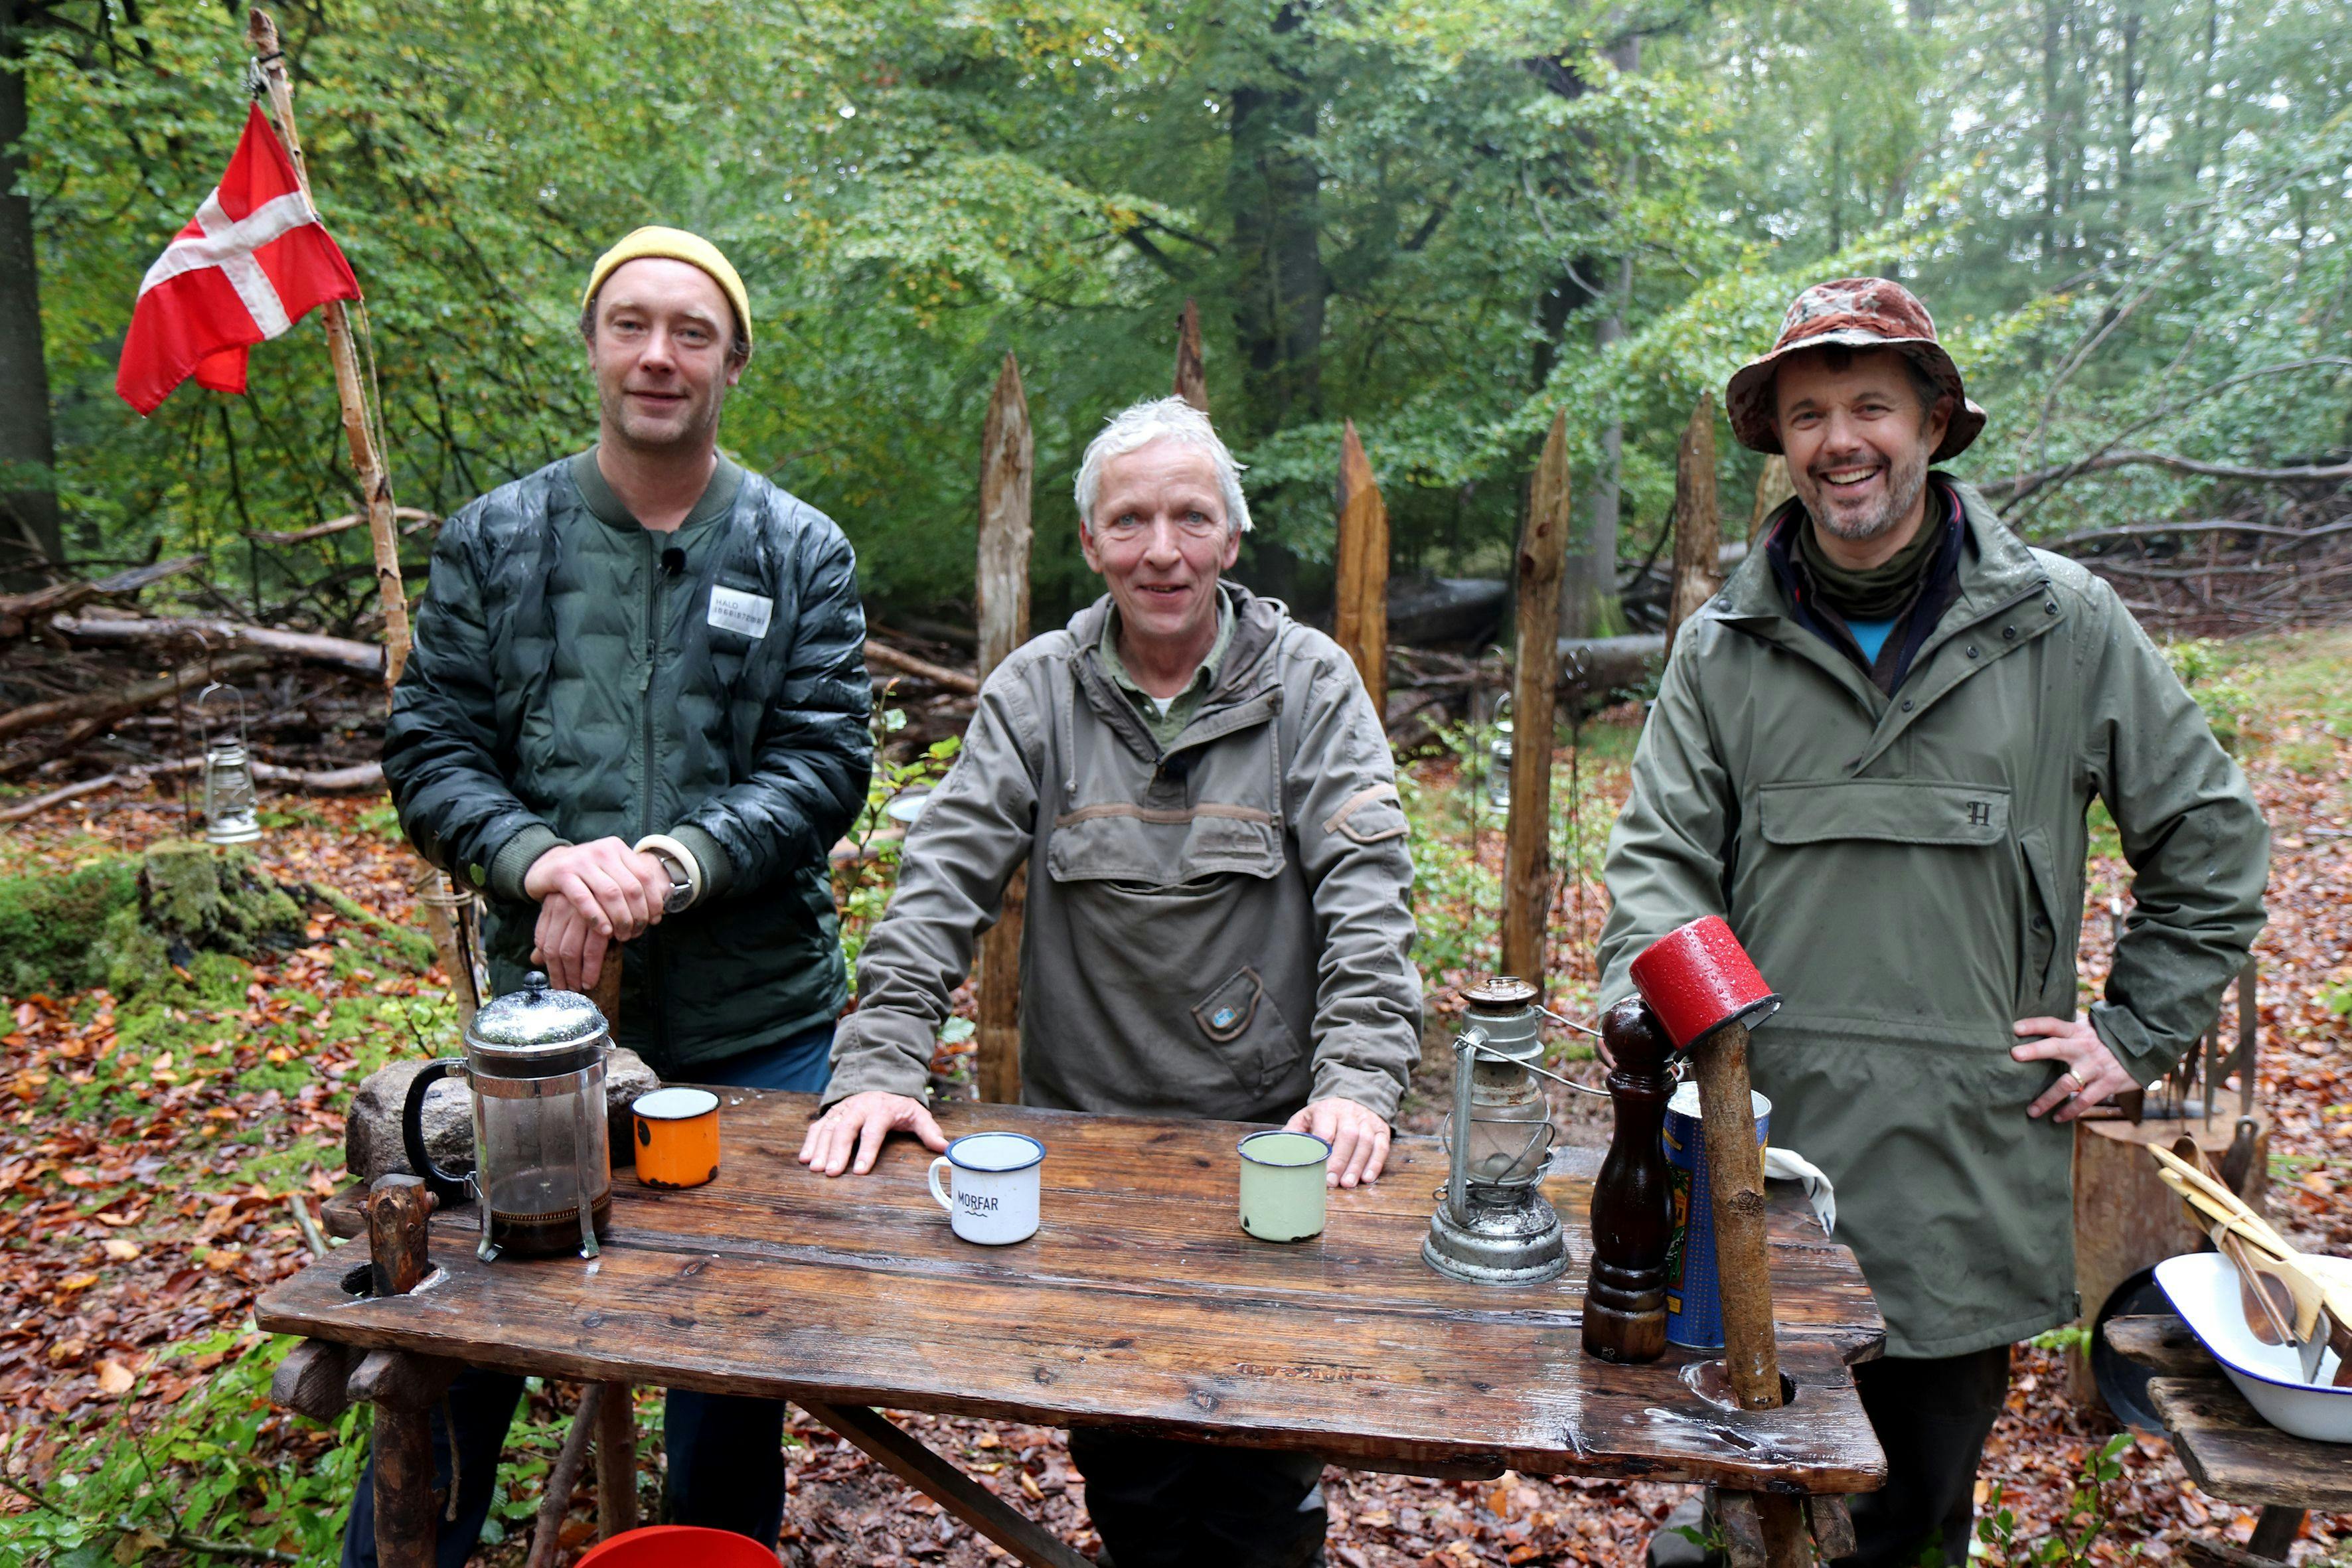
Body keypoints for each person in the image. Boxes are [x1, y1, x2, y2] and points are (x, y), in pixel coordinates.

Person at [1600, 277, 2268, 1568]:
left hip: (1961, 1174)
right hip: (1758, 1162)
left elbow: (2213, 840)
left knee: (1910, 1520)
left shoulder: (2059, 624)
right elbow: (1655, 870)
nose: (1837, 438)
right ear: (1779, 443)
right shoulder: (1723, 647)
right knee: (1740, 1503)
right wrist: (1679, 1055)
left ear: (1934, 421)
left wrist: (2130, 1028)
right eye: (1806, 412)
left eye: (1869, 404)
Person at [797, 396, 1421, 1568]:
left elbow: (1369, 895)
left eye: (1192, 517)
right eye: (1129, 520)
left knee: (1259, 1469)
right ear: (1090, 544)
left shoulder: (1310, 685)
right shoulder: (1037, 689)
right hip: (1083, 1158)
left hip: (1266, 1153)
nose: (1162, 550)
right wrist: (879, 1064)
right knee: (1127, 1466)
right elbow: (941, 880)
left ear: (1232, 538)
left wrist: (1360, 1080)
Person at [368, 226, 872, 1565]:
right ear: (591, 344)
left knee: (727, 1360)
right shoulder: (495, 538)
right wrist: (540, 857)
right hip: (552, 1030)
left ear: (733, 360)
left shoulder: (795, 546)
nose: (659, 355)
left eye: (691, 331)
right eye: (632, 324)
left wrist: (670, 864)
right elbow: (431, 748)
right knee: (475, 1325)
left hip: (762, 1021)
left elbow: (825, 763)